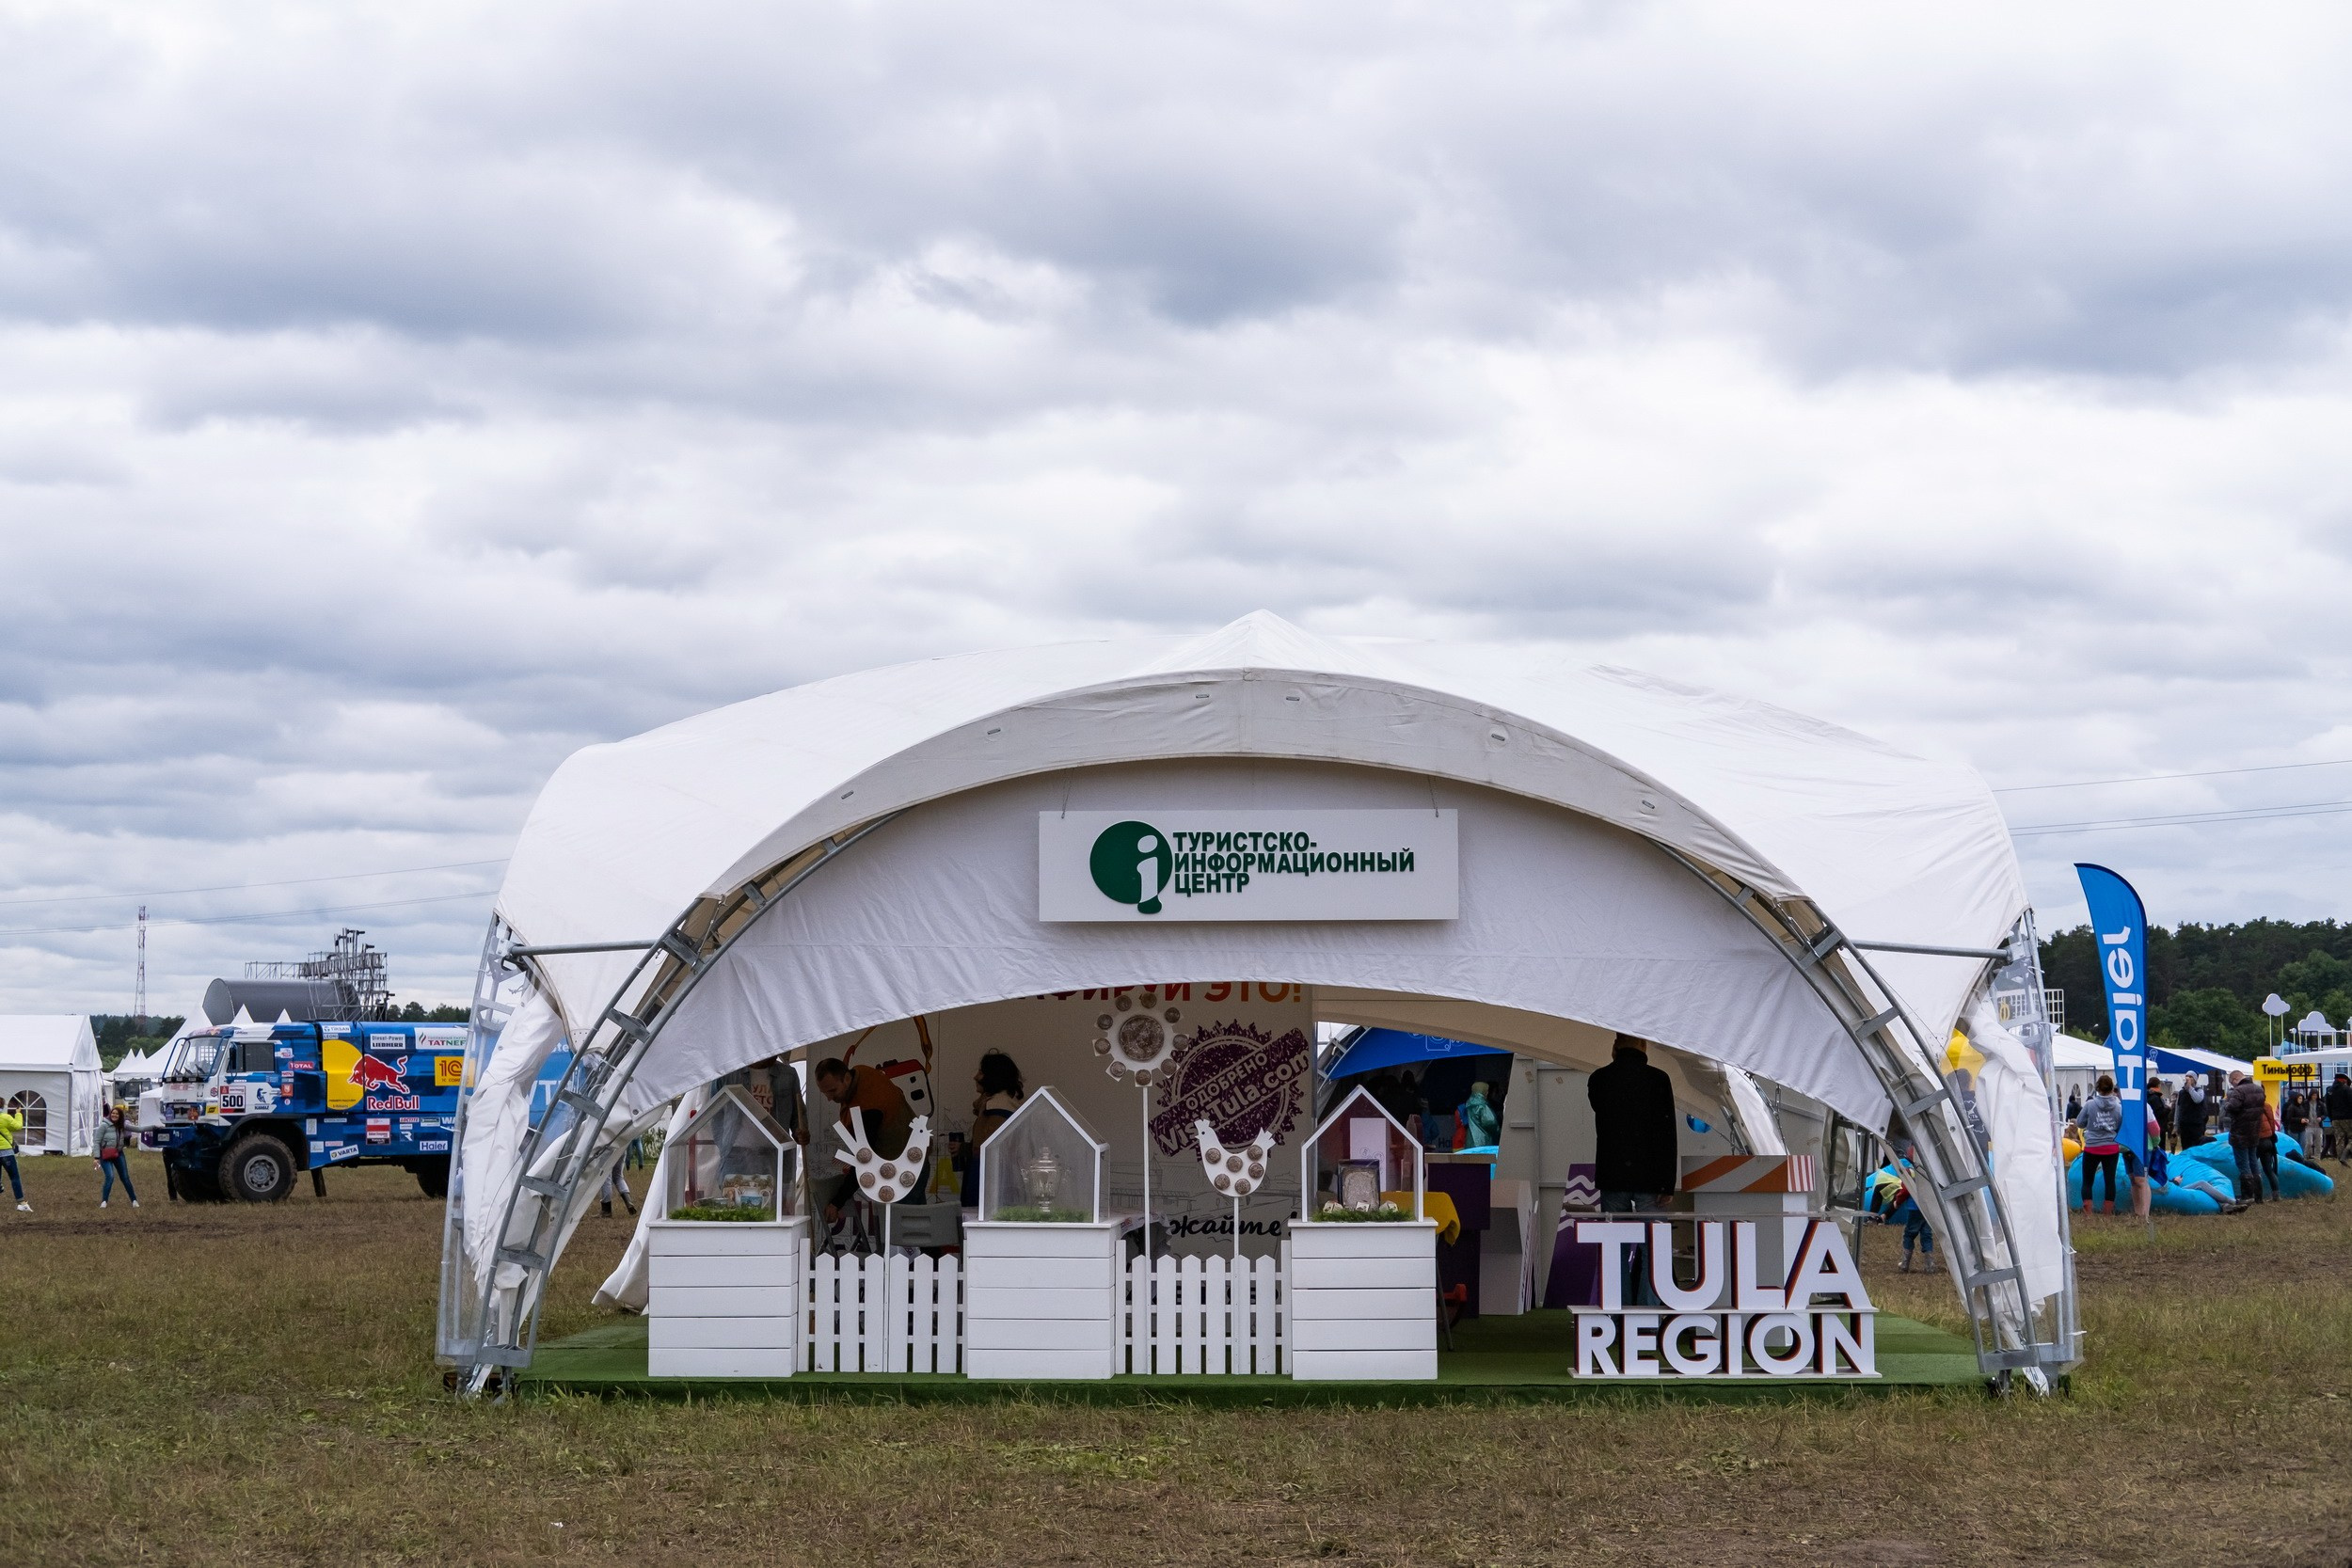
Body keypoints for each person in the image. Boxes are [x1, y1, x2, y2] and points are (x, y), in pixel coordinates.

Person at [1588, 1034, 1678, 1306]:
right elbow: (1667, 1133)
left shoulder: (1599, 1079)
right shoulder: (1659, 1079)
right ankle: (1647, 1318)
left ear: (1614, 1046)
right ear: (1644, 1045)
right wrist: (1667, 1183)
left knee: (1614, 1246)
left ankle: (1616, 1316)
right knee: (1654, 1248)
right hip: (1652, 1178)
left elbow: (1599, 1108)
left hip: (1613, 1174)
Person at [813, 1056, 913, 1225]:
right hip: (901, 1163)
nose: (829, 1098)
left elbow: (864, 1161)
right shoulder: (860, 1072)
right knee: (907, 1230)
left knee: (905, 1231)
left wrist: (837, 1202)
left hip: (906, 1168)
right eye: (825, 1093)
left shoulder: (868, 1108)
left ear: (846, 1078)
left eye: (832, 1091)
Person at [2076, 1074, 2125, 1214]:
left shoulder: (2090, 1104)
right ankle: (2107, 1213)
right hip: (2111, 1146)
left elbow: (2080, 1122)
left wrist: (2091, 1124)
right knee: (2110, 1181)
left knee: (2087, 1180)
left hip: (2092, 1146)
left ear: (2097, 1088)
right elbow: (2120, 1126)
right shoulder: (2118, 1106)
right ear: (2112, 1089)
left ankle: (2088, 1213)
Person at [2223, 1069, 2269, 1203]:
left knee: (2243, 1164)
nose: (2233, 1086)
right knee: (2254, 1162)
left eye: (2232, 1083)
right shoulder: (2259, 1089)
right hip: (2254, 1132)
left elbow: (2233, 1107)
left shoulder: (2239, 1091)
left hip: (2240, 1133)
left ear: (2236, 1079)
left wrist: (2226, 1105)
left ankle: (2248, 1196)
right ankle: (2259, 1196)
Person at [970, 1050, 1025, 1148]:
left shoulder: (994, 1108)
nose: (975, 1077)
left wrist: (963, 1150)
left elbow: (986, 1151)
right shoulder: (1009, 1104)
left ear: (993, 1077)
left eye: (981, 1073)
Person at [95, 1104, 138, 1209]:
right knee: (110, 1176)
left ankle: (134, 1200)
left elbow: (138, 1129)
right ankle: (104, 1201)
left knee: (125, 1178)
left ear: (120, 1116)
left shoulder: (122, 1125)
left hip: (118, 1154)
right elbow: (96, 1141)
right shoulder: (104, 1125)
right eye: (113, 1113)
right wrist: (96, 1157)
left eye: (117, 1114)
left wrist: (154, 1128)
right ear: (110, 1114)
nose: (114, 1115)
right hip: (105, 1154)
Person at [1457, 1080, 1501, 1149]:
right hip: (1483, 1142)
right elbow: (1490, 1122)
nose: (1487, 1093)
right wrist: (1499, 1131)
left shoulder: (1469, 1105)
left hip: (1470, 1142)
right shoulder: (1483, 1106)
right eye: (1486, 1091)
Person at [0, 1099, 24, 1212]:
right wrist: (18, 1114)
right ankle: (21, 1202)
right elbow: (18, 1126)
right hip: (5, 1151)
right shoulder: (5, 1118)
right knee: (14, 1177)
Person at [2176, 1073, 2210, 1149]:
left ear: (2194, 1079)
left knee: (2196, 1146)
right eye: (2187, 1076)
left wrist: (2190, 1088)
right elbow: (2178, 1109)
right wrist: (2176, 1126)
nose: (2188, 1078)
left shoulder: (2200, 1090)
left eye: (2190, 1077)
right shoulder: (2181, 1092)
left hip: (2196, 1125)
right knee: (2185, 1147)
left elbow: (2197, 1100)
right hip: (2184, 1124)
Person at [2327, 1072, 2352, 1165]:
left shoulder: (2329, 1091)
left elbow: (2328, 1107)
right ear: (2342, 1080)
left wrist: (2332, 1118)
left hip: (2335, 1119)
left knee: (2339, 1140)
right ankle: (2344, 1156)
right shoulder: (2347, 1089)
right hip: (2348, 1118)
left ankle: (2341, 1161)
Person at [2149, 1082, 2175, 1152]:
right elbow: (2159, 1112)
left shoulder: (2147, 1096)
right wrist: (2168, 1109)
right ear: (2158, 1085)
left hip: (2151, 1126)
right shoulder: (2156, 1098)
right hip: (2159, 1124)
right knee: (2160, 1144)